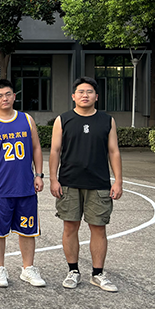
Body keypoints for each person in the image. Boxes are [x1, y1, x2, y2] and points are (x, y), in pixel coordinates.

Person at [49, 76, 123, 292]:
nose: (85, 95)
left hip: (99, 183)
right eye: (81, 92)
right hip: (69, 182)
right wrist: (53, 179)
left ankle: (98, 274)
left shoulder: (107, 121)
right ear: (73, 96)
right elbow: (55, 151)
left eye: (89, 92)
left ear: (96, 96)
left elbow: (114, 151)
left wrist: (118, 181)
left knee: (98, 228)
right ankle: (73, 271)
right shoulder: (63, 120)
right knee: (70, 227)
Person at [0, 79, 46, 288]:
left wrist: (39, 175)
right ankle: (0, 269)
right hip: (1, 189)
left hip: (25, 186)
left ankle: (28, 268)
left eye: (8, 94)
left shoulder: (27, 120)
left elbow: (36, 148)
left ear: (14, 96)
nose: (4, 98)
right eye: (0, 95)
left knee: (27, 230)